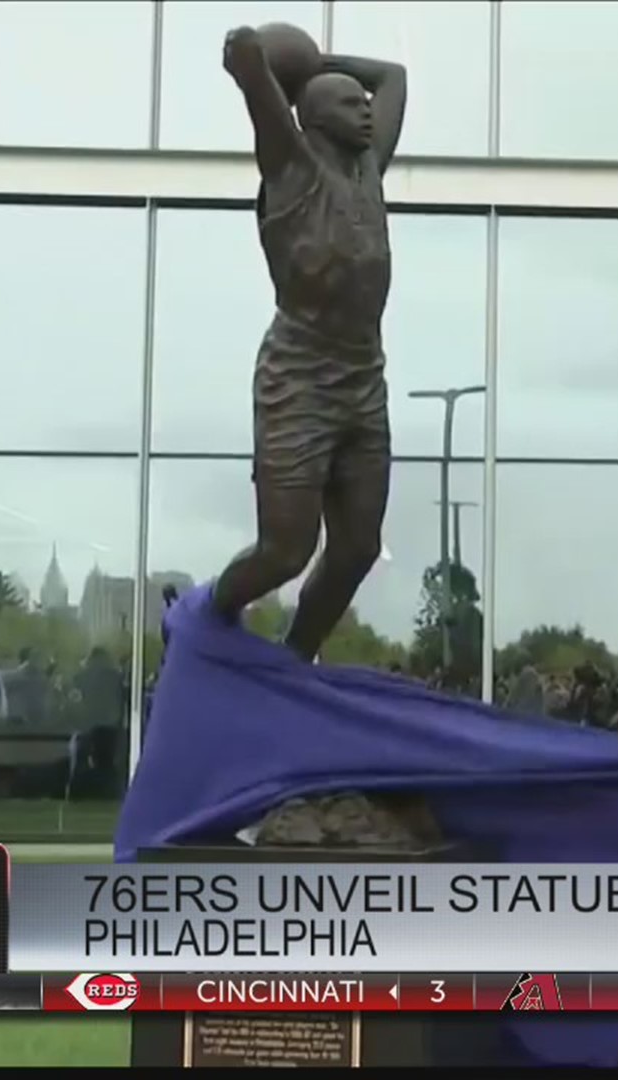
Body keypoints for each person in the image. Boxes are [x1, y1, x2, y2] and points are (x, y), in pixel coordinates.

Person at [209, 24, 409, 662]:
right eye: (351, 105)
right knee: (285, 552)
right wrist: (261, 65)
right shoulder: (291, 171)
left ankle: (292, 663)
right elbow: (248, 64)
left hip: (362, 382)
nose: (367, 111)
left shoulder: (368, 173)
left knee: (357, 548)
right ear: (315, 120)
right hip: (298, 380)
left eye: (363, 103)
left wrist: (320, 63)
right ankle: (205, 618)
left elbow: (395, 77)